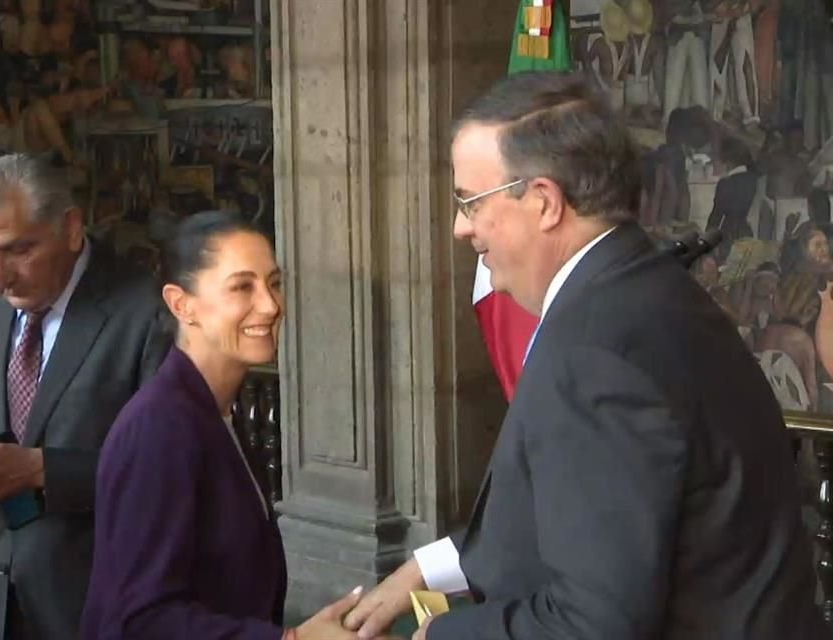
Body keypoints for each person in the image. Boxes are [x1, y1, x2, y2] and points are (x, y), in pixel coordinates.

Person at [344, 72, 826, 640]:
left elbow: (593, 625)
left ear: (544, 201)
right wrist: (427, 570)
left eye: (469, 202)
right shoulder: (646, 289)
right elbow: (603, 514)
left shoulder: (596, 351)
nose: (459, 228)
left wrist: (439, 638)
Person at [80, 213, 396, 640]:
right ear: (181, 304)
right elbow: (143, 619)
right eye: (242, 287)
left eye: (274, 282)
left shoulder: (212, 410)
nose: (270, 305)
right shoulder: (159, 428)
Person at [0, 152, 170, 640]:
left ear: (69, 227)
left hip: (103, 606)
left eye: (17, 249)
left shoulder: (147, 315)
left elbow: (170, 473)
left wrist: (43, 470)